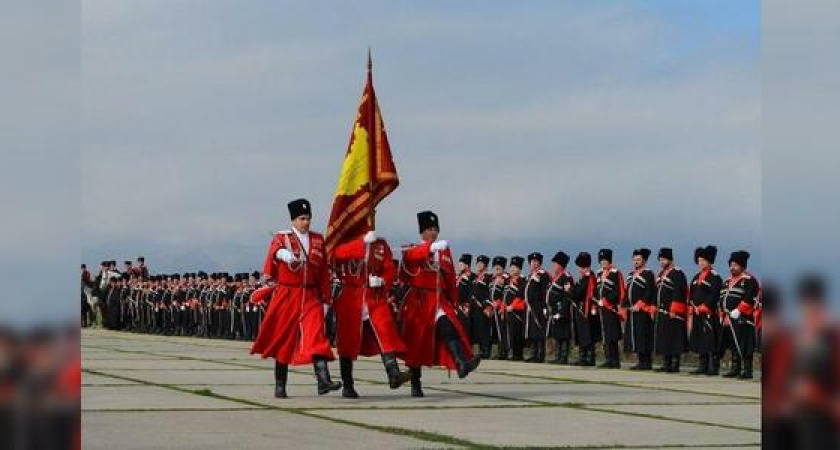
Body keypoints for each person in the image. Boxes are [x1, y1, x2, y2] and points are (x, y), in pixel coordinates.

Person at [250, 198, 341, 398]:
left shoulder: (318, 239)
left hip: (310, 295)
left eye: (308, 218)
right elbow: (273, 255)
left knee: (316, 334)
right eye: (302, 218)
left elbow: (323, 273)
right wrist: (282, 254)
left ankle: (323, 380)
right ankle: (280, 385)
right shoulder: (282, 238)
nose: (306, 222)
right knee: (284, 339)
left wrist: (326, 300)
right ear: (293, 220)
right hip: (288, 294)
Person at [399, 211, 480, 397]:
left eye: (436, 229)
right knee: (417, 343)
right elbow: (410, 261)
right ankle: (415, 383)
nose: (433, 232)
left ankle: (461, 363)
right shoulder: (412, 249)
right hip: (420, 300)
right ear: (422, 232)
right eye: (429, 229)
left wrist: (454, 301)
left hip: (438, 299)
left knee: (448, 328)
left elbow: (450, 277)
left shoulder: (443, 251)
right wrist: (430, 248)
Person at [330, 230, 410, 398]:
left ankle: (393, 374)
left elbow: (389, 268)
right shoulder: (343, 241)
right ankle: (348, 385)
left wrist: (383, 280)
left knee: (385, 332)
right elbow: (337, 255)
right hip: (351, 298)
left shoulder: (380, 244)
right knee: (347, 343)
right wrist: (362, 243)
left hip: (374, 296)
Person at [718, 250, 759, 379]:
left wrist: (739, 310)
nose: (732, 267)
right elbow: (722, 298)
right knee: (733, 345)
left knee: (745, 344)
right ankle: (735, 368)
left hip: (742, 318)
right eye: (731, 265)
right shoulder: (727, 281)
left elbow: (750, 298)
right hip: (728, 319)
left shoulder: (749, 280)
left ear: (742, 266)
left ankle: (747, 370)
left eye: (735, 265)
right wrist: (721, 312)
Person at [687, 245, 723, 375]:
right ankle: (703, 365)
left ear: (709, 261)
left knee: (710, 340)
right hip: (697, 313)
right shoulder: (696, 277)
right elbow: (691, 294)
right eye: (699, 260)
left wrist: (705, 306)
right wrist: (692, 307)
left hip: (709, 313)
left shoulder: (715, 277)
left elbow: (715, 294)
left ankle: (714, 366)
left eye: (703, 260)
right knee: (700, 339)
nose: (701, 263)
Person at [653, 248, 689, 373]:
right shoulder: (661, 274)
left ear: (670, 259)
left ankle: (675, 363)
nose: (662, 262)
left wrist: (675, 308)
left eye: (664, 259)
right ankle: (666, 362)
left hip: (672, 311)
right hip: (662, 311)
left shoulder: (677, 273)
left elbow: (679, 291)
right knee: (664, 338)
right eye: (660, 260)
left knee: (674, 337)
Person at [623, 248, 657, 370]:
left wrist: (640, 304)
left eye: (638, 259)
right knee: (635, 336)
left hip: (643, 310)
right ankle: (640, 361)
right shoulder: (630, 275)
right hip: (632, 310)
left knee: (643, 336)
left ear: (644, 261)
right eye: (634, 259)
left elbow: (649, 292)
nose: (636, 262)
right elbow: (627, 291)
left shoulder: (648, 274)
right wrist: (625, 305)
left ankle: (647, 362)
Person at [596, 249, 625, 369]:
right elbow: (597, 290)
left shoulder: (615, 273)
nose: (603, 262)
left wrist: (606, 300)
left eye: (605, 260)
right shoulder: (599, 273)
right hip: (601, 309)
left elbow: (618, 291)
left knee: (612, 335)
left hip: (611, 308)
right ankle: (608, 358)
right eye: (601, 260)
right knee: (605, 335)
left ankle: (615, 360)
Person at [546, 251, 574, 364]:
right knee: (557, 333)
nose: (553, 266)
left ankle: (563, 357)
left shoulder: (566, 277)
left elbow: (567, 295)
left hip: (562, 310)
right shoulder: (556, 277)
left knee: (564, 334)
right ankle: (557, 356)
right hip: (554, 310)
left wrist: (562, 311)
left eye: (555, 264)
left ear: (561, 265)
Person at [572, 252, 599, 366]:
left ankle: (589, 357)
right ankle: (582, 356)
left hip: (586, 309)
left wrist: (569, 291)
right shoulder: (584, 277)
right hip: (581, 309)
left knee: (587, 334)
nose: (579, 270)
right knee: (582, 334)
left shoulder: (589, 277)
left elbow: (578, 293)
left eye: (580, 267)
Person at [524, 253, 550, 363]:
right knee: (533, 331)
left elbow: (545, 291)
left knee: (539, 330)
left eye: (536, 261)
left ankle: (540, 354)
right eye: (532, 262)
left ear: (540, 263)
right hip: (531, 307)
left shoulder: (543, 274)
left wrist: (545, 307)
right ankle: (534, 353)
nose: (534, 264)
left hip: (539, 306)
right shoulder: (530, 276)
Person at [468, 255, 494, 359]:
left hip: (483, 306)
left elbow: (489, 292)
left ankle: (486, 349)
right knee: (476, 328)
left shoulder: (488, 277)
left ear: (485, 265)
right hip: (474, 307)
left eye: (481, 263)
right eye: (478, 263)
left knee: (484, 328)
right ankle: (478, 350)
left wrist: (486, 304)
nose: (479, 265)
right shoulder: (475, 278)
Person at [504, 256, 527, 361]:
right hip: (508, 310)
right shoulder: (508, 281)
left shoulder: (523, 280)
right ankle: (512, 352)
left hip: (517, 311)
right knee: (510, 332)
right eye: (511, 267)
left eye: (515, 267)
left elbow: (520, 295)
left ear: (519, 269)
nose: (512, 269)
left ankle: (518, 353)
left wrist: (513, 306)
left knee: (517, 332)